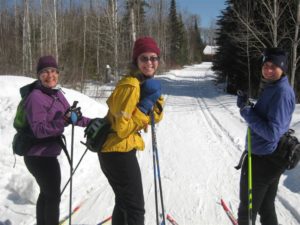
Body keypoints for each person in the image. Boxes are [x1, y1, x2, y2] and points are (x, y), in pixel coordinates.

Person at [98, 36, 164, 225]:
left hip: (118, 150)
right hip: (117, 152)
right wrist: (144, 107)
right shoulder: (131, 85)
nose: (150, 62)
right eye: (144, 58)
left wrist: (154, 101)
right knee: (135, 209)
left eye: (154, 58)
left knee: (124, 203)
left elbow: (156, 117)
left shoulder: (143, 83)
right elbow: (122, 128)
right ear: (136, 60)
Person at [22, 55, 91, 225]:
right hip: (37, 156)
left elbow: (71, 116)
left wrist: (93, 122)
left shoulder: (57, 94)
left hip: (47, 154)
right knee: (53, 196)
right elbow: (38, 130)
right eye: (45, 72)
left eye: (53, 71)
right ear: (39, 75)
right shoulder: (35, 98)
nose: (50, 75)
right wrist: (63, 121)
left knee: (47, 193)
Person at [236, 48, 295, 225]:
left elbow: (272, 133)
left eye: (274, 66)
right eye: (266, 65)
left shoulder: (282, 93)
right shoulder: (274, 87)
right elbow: (267, 118)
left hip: (263, 160)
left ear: (283, 68)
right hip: (269, 157)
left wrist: (246, 112)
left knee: (247, 209)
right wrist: (249, 107)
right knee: (266, 206)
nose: (268, 70)